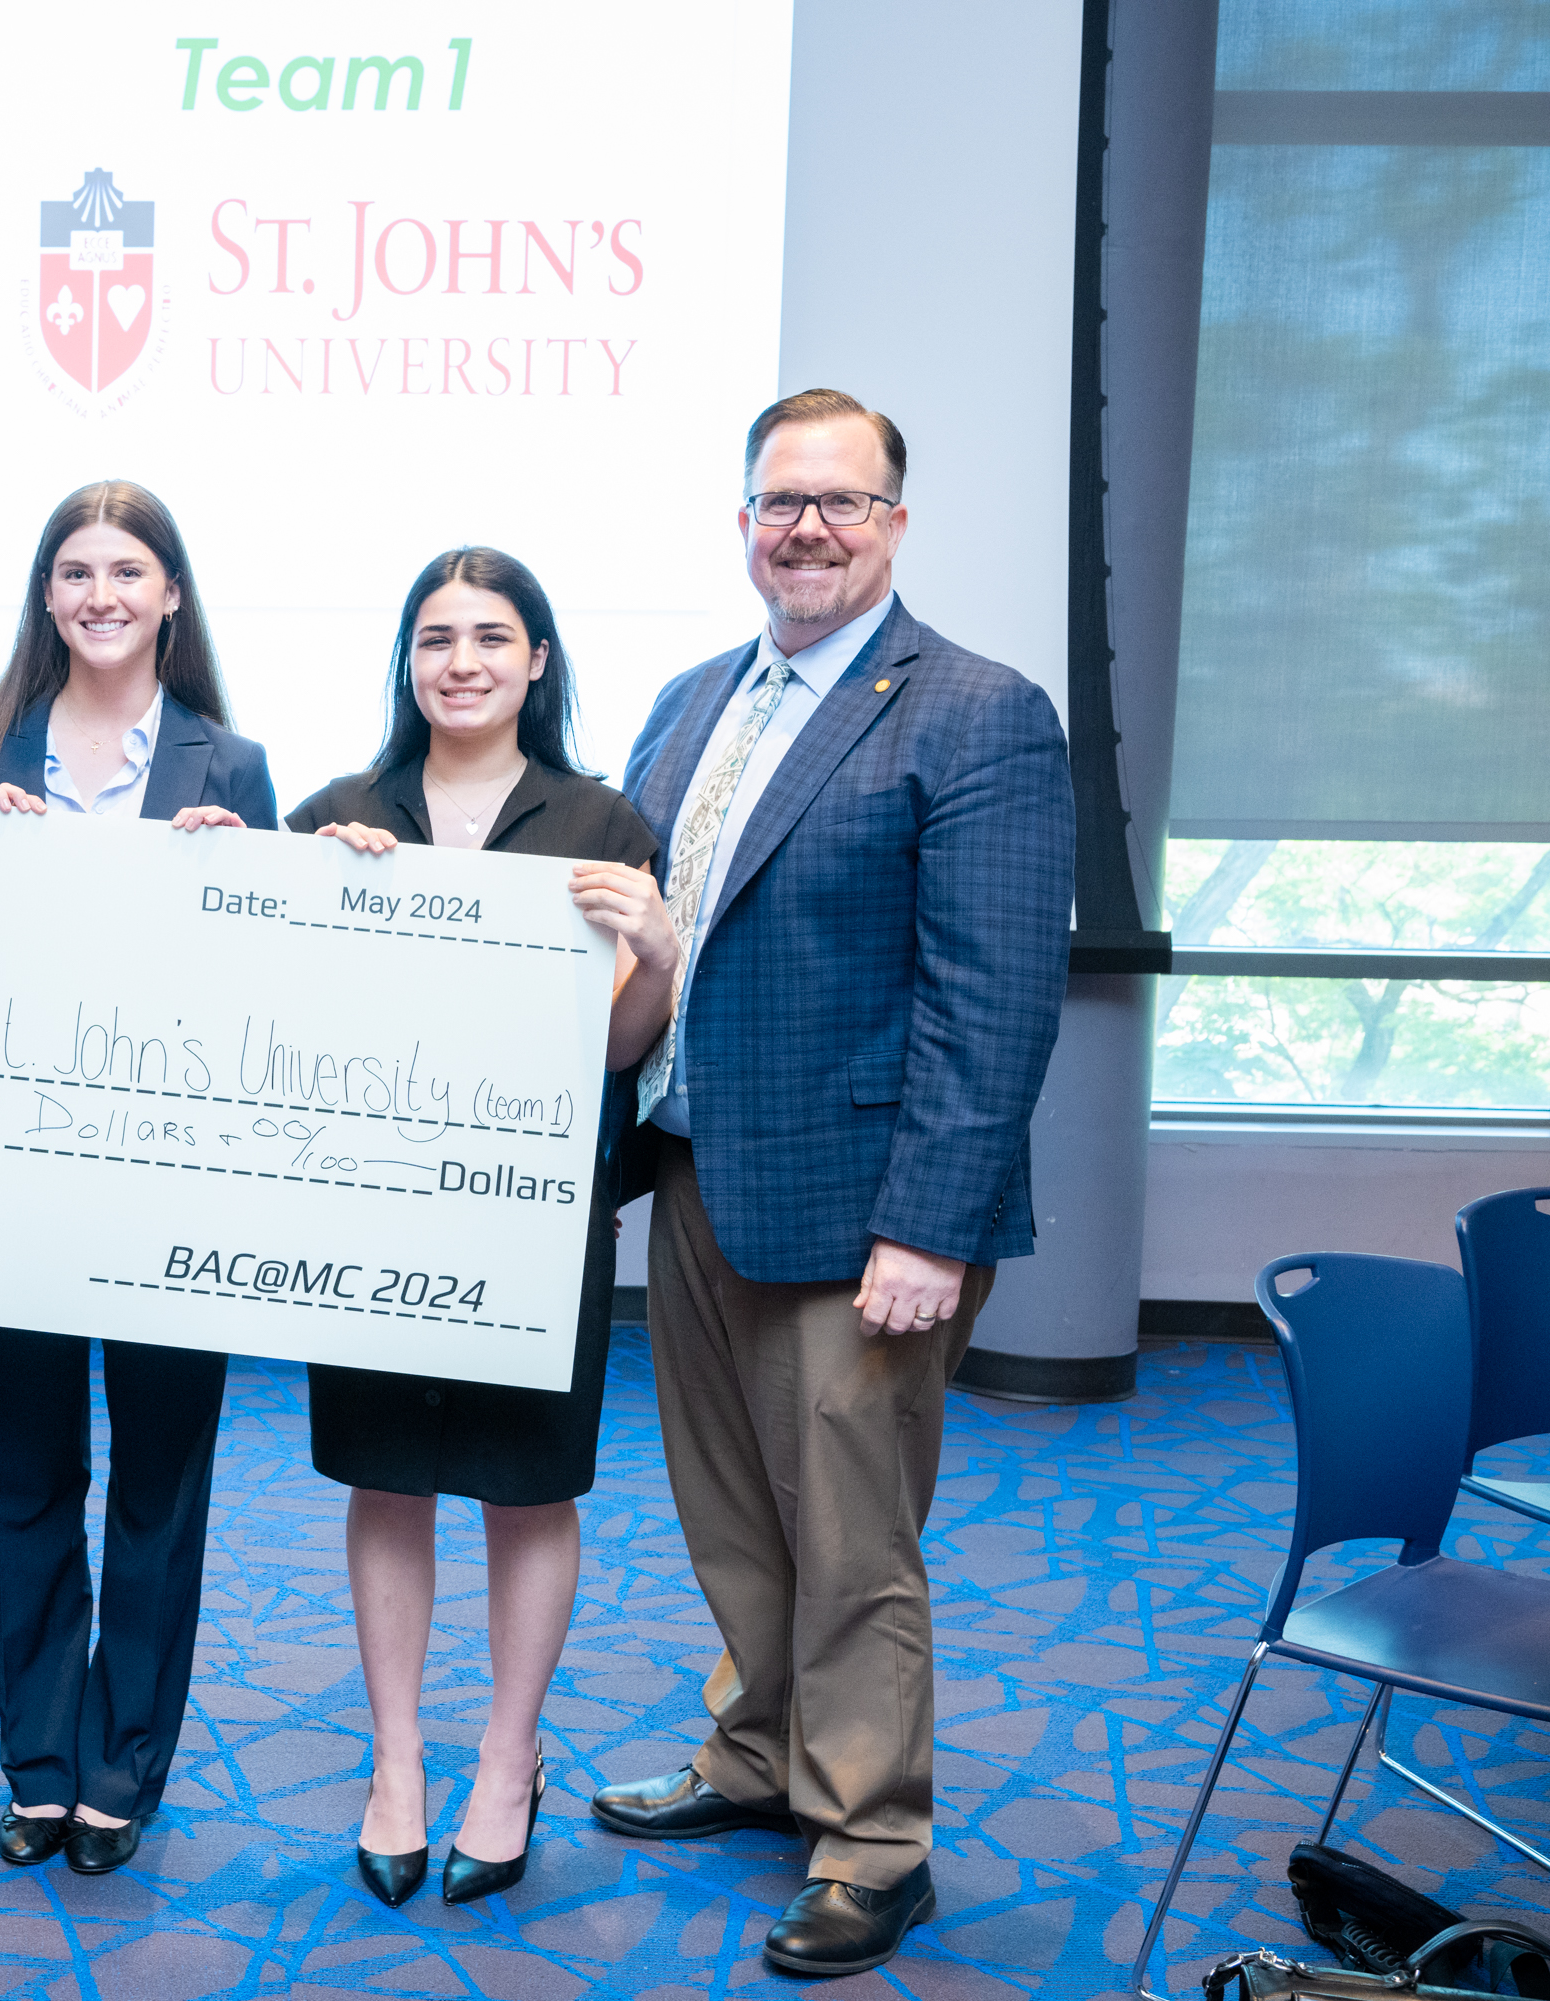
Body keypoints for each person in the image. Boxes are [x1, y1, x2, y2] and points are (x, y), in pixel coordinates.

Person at [592, 390, 1071, 1978]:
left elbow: (993, 994)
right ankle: (759, 1752)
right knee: (731, 1506)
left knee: (854, 1532)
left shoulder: (976, 709)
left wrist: (931, 1225)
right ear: (742, 521)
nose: (807, 527)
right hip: (698, 1173)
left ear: (895, 523)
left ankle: (871, 1837)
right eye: (781, 502)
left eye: (842, 503)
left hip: (869, 1214)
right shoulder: (688, 700)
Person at [289, 547, 676, 1909]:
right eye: (436, 636)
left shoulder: (603, 820)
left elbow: (619, 1045)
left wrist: (661, 952)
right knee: (384, 1475)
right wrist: (311, 897)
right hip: (370, 1199)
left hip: (534, 1208)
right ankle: (396, 1764)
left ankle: (504, 1762)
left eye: (491, 636)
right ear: (408, 660)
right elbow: (283, 1015)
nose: (461, 659)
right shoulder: (337, 809)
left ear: (537, 661)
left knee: (529, 1484)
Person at [0, 479, 276, 1878]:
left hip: (168, 1177)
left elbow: (263, 972)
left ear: (172, 592)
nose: (99, 593)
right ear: (47, 593)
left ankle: (122, 1762)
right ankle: (38, 1760)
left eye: (127, 569)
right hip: (13, 1171)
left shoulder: (232, 767)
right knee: (15, 1477)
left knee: (159, 1476)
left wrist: (239, 880)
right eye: (75, 570)